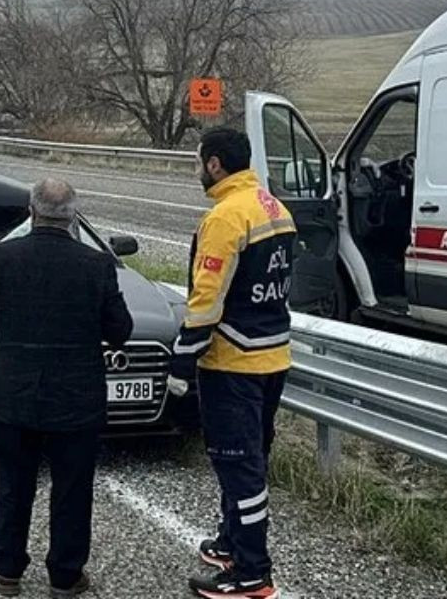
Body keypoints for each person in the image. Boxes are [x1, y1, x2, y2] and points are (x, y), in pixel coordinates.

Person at [0, 179, 133, 598]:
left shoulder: (2, 257)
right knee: (73, 490)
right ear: (73, 215)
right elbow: (120, 331)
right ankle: (65, 575)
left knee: (13, 483)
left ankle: (7, 571)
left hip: (15, 391)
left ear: (32, 211)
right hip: (76, 397)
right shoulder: (96, 265)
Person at [169, 126, 294, 599]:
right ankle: (229, 542)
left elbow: (207, 299)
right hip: (273, 355)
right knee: (251, 458)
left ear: (216, 164)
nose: (197, 170)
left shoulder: (225, 217)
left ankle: (250, 572)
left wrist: (182, 361)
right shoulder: (274, 207)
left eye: (199, 161)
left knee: (238, 466)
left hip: (233, 362)